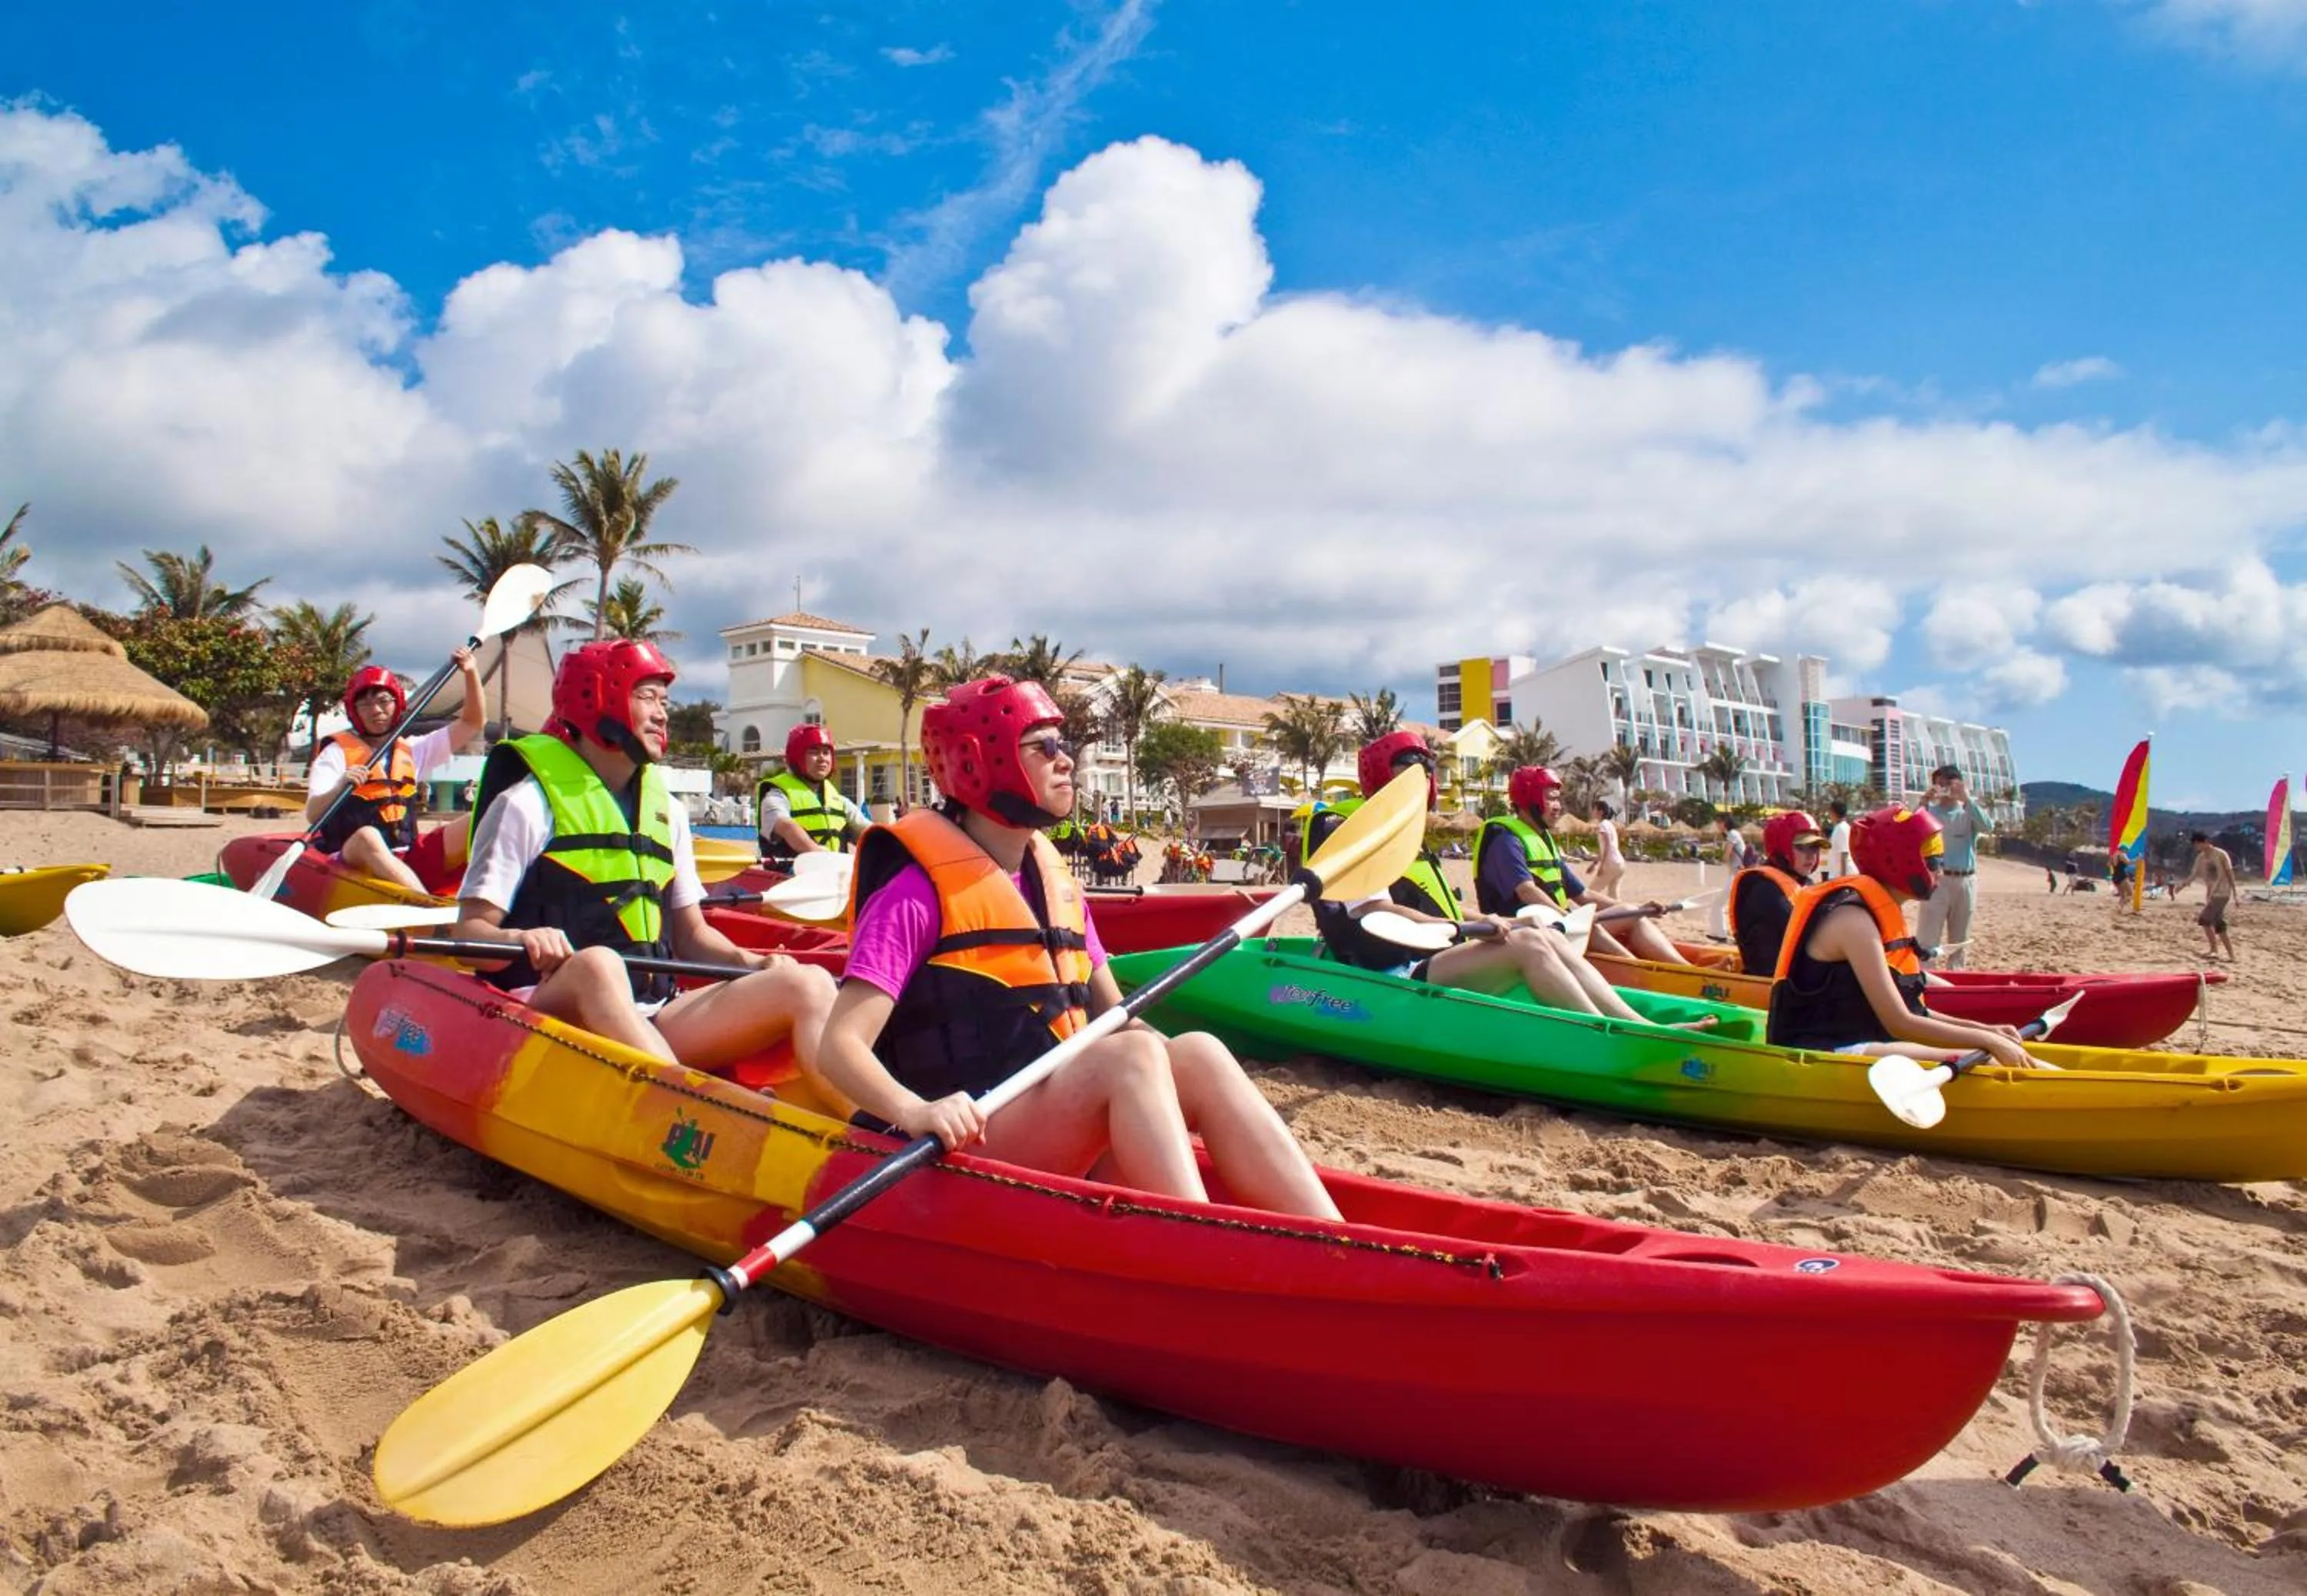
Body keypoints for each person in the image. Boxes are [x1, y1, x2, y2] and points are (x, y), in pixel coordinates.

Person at [812, 676, 1339, 1219]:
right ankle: (1199, 1244)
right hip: (956, 1142)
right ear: (977, 760)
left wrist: (1169, 1063)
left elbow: (1119, 1018)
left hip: (1042, 1118)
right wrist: (916, 1110)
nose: (1067, 761)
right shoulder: (914, 894)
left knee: (1196, 1050)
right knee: (1128, 1060)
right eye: (1044, 747)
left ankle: (1332, 1241)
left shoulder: (1053, 883)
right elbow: (840, 1046)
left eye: (1062, 746)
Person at [449, 640, 837, 1076]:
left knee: (806, 983)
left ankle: (862, 1132)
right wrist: (521, 939)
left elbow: (691, 936)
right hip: (549, 1010)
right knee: (598, 964)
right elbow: (469, 934)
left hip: (652, 1013)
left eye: (665, 701)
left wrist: (754, 963)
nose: (663, 713)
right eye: (647, 697)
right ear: (596, 697)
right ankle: (685, 1103)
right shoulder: (525, 806)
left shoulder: (665, 811)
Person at [1307, 735, 1696, 1027]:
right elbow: (1376, 910)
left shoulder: (1403, 834)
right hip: (1394, 972)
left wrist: (1500, 921)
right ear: (1381, 774)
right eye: (1408, 769)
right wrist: (1469, 928)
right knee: (1530, 946)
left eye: (1426, 771)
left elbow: (1441, 908)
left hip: (1433, 954)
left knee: (1542, 934)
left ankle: (1635, 1025)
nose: (1422, 779)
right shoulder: (1357, 829)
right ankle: (1607, 1032)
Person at [1766, 806, 2051, 1070]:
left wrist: (1986, 1031)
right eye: (1933, 859)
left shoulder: (1881, 911)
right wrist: (1986, 1042)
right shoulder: (1854, 922)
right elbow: (1900, 1022)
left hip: (1859, 1038)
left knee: (1998, 1053)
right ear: (1899, 860)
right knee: (1988, 1063)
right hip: (1822, 1052)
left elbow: (1914, 1011)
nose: (1940, 869)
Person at [305, 651, 487, 893]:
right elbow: (313, 813)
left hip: (406, 855)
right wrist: (341, 786)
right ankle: (425, 907)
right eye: (366, 704)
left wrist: (471, 672)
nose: (376, 710)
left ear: (397, 703)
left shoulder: (412, 750)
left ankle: (485, 899)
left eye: (383, 701)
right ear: (354, 711)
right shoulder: (336, 754)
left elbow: (472, 723)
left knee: (480, 820)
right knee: (367, 836)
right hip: (351, 858)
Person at [1475, 765, 1692, 964]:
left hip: (1556, 926)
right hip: (1524, 933)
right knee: (1591, 928)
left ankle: (1686, 971)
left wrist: (1639, 909)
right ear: (1528, 801)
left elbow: (1583, 894)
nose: (1558, 807)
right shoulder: (1505, 841)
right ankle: (1642, 973)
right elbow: (1526, 890)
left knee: (1629, 913)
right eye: (1551, 799)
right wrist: (1569, 919)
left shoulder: (1541, 839)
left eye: (1558, 799)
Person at [757, 723, 870, 869]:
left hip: (832, 878)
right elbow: (786, 827)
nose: (822, 758)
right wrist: (818, 853)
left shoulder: (840, 802)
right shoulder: (775, 796)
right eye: (814, 752)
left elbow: (868, 831)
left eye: (826, 752)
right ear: (797, 756)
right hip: (791, 881)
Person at [1729, 810, 1826, 976]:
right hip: (1772, 984)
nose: (1811, 855)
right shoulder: (1766, 891)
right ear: (1781, 847)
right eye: (1802, 847)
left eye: (1815, 847)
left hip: (1794, 979)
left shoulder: (1802, 883)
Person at [1916, 765, 1992, 968]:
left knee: (1960, 942)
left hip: (1966, 880)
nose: (1944, 788)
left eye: (1949, 783)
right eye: (1939, 783)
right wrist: (1924, 802)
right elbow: (1911, 830)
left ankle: (1956, 979)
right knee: (1927, 938)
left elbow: (1988, 827)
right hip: (1937, 880)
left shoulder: (1968, 812)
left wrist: (1966, 798)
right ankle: (1924, 980)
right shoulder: (1929, 811)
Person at [2176, 830, 2237, 959]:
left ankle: (2215, 950)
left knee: (2205, 919)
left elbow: (2230, 873)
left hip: (2222, 893)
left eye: (2198, 844)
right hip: (2211, 894)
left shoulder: (2220, 854)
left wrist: (2235, 894)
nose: (2197, 847)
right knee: (2218, 924)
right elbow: (2193, 875)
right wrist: (2182, 885)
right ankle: (2231, 956)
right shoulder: (2201, 858)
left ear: (2205, 842)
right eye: (2195, 845)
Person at [1588, 799, 1626, 897]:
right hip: (1620, 863)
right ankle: (1620, 912)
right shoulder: (1610, 825)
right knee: (1613, 894)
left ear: (1600, 812)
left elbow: (1608, 846)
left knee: (1591, 893)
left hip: (1611, 864)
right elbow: (1604, 849)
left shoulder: (1602, 826)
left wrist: (1602, 866)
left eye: (1594, 809)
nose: (1592, 811)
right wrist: (1594, 864)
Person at [1824, 800, 1853, 879]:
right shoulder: (1840, 827)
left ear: (1833, 812)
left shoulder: (1842, 829)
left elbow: (1844, 854)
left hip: (1842, 876)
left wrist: (1843, 880)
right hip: (1837, 876)